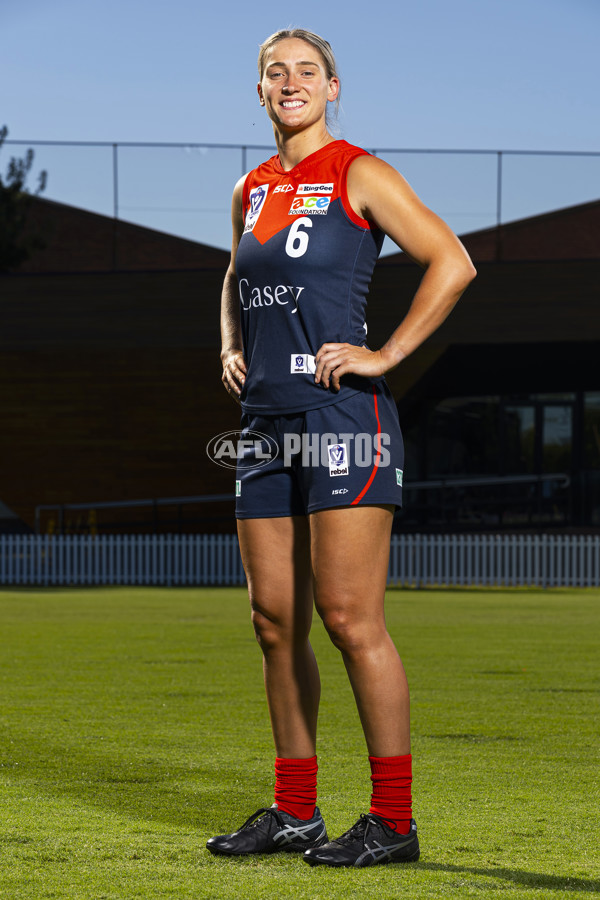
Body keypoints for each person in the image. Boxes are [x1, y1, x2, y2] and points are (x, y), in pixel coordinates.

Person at [206, 27, 476, 868]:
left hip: (341, 421)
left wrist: (384, 354)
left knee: (350, 619)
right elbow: (235, 275)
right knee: (273, 622)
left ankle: (393, 821)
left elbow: (453, 261)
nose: (290, 83)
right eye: (274, 72)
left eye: (306, 71)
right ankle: (295, 813)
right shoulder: (252, 187)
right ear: (259, 93)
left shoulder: (359, 171)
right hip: (265, 425)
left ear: (332, 88)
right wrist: (227, 341)